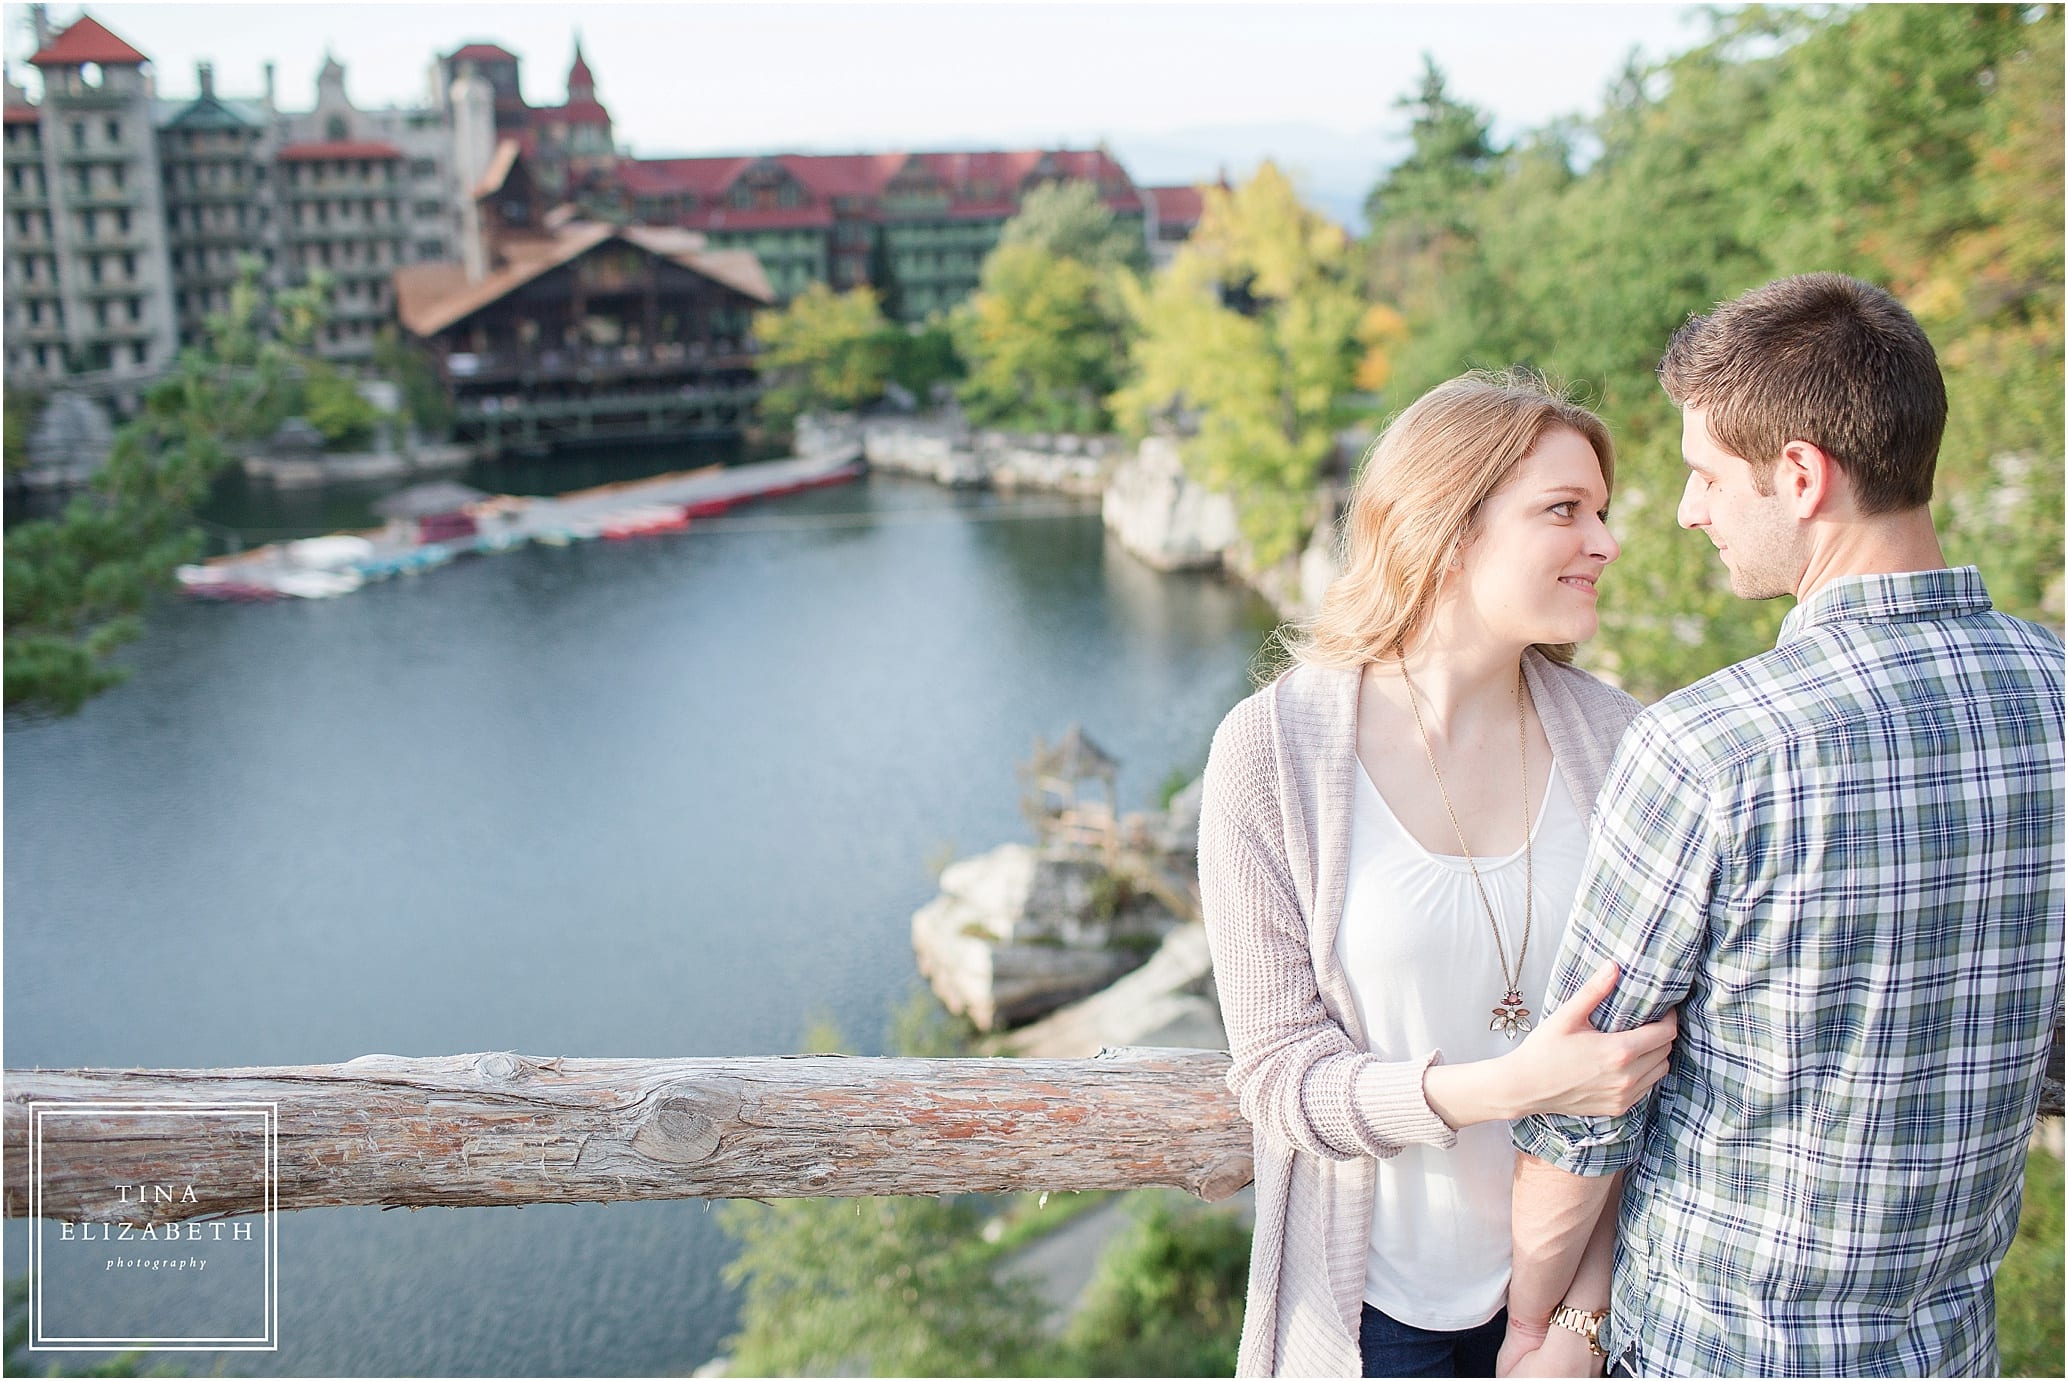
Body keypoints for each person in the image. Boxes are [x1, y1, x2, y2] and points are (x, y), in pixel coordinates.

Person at [1503, 273, 2065, 1378]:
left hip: (1712, 1352)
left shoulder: (1709, 748)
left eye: (1706, 475)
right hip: (1949, 1346)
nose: (1684, 509)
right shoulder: (2061, 695)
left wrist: (1537, 1325)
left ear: (1800, 476)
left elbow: (1581, 1106)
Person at [1199, 371, 1680, 1379]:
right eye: (1563, 510)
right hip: (1370, 1317)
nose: (1605, 541)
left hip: (1574, 1307)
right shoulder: (1273, 753)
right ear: (1449, 528)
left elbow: (1644, 1075)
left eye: (1601, 510)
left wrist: (1576, 1324)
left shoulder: (1624, 744)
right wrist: (1511, 1085)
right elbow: (1283, 1077)